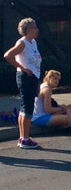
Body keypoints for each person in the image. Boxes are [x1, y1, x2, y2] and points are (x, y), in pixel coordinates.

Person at [3, 17, 42, 149]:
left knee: (24, 107)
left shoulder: (33, 42)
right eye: (35, 27)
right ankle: (25, 139)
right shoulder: (22, 43)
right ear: (28, 29)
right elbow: (8, 55)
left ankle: (23, 137)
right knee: (27, 107)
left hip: (33, 77)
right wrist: (22, 68)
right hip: (25, 77)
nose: (37, 29)